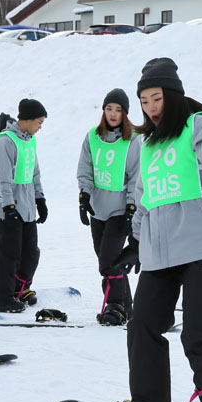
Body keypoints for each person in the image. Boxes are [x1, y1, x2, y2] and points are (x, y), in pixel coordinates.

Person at [107, 57, 202, 402]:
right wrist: (135, 241)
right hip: (158, 250)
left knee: (199, 331)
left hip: (201, 243)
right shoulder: (145, 143)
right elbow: (143, 197)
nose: (151, 106)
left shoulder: (198, 125)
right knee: (143, 325)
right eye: (145, 100)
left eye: (157, 97)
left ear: (173, 95)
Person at [76, 88, 140, 325]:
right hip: (98, 209)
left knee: (109, 261)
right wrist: (84, 196)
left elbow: (136, 175)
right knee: (106, 261)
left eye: (119, 110)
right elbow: (85, 169)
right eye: (109, 109)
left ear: (125, 113)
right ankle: (126, 306)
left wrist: (132, 206)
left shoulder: (133, 139)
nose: (113, 114)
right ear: (104, 111)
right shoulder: (92, 136)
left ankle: (115, 305)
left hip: (120, 211)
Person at [0, 99, 48, 312]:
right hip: (8, 210)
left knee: (30, 253)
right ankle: (1, 299)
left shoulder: (29, 140)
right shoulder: (5, 142)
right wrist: (8, 207)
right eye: (39, 122)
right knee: (7, 255)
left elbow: (35, 172)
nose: (40, 126)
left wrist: (40, 199)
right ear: (28, 119)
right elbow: (2, 179)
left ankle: (19, 289)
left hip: (27, 209)